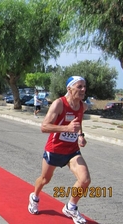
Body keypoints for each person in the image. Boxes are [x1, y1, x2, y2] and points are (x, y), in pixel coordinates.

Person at [28, 76, 89, 224]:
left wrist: (80, 135)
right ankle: (34, 197)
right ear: (69, 88)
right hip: (54, 150)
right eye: (79, 87)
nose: (83, 89)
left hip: (72, 151)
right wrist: (66, 128)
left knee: (85, 180)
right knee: (45, 179)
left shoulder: (83, 106)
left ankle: (71, 207)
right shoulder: (59, 104)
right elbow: (44, 127)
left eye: (84, 86)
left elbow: (78, 121)